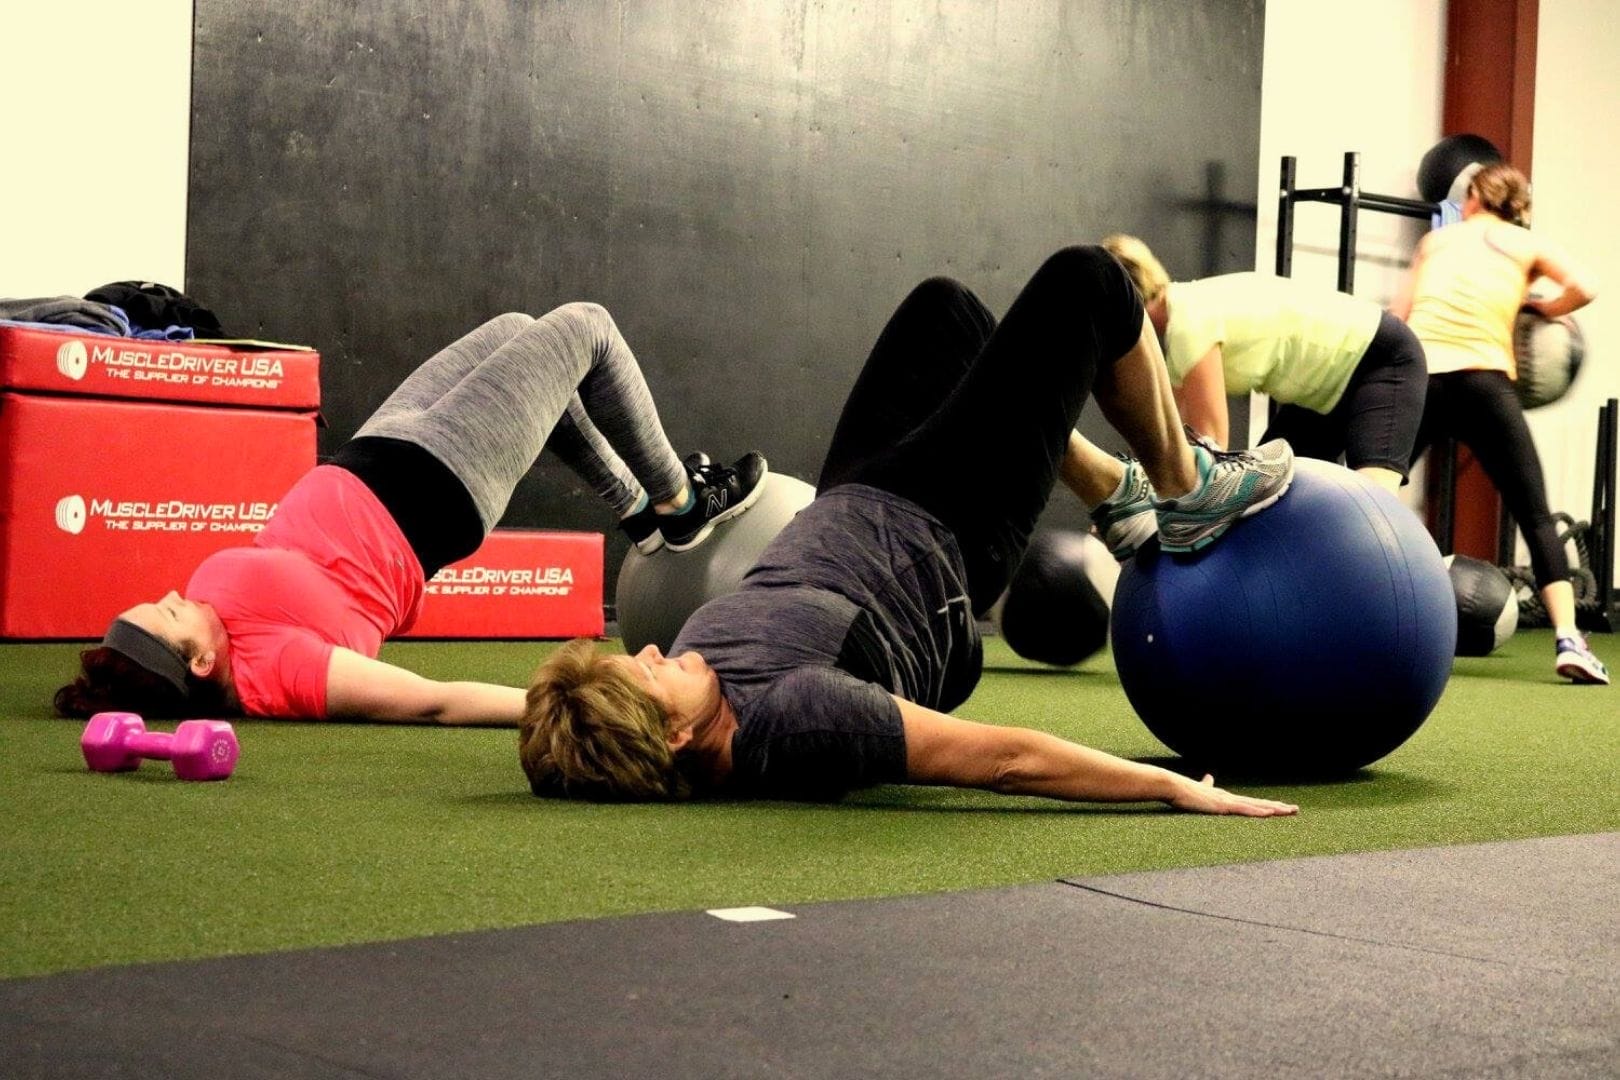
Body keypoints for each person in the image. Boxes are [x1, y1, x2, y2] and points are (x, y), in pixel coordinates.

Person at [519, 245, 1301, 814]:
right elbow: (1006, 760)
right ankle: (1187, 490)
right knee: (1091, 282)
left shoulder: (685, 693)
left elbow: (549, 719)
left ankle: (1112, 494)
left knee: (947, 311)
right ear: (677, 738)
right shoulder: (797, 717)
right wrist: (1168, 785)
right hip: (945, 534)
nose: (651, 650)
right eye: (648, 673)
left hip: (854, 498)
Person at [54, 303, 769, 723]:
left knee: (519, 330)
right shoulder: (278, 671)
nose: (173, 594)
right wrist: (564, 708)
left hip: (380, 445)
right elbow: (430, 700)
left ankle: (638, 512)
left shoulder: (213, 620)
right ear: (204, 662)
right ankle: (680, 504)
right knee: (587, 327)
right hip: (436, 489)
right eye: (169, 614)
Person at [1389, 163, 1607, 686]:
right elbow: (1586, 287)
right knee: (1534, 514)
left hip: (1423, 379)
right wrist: (1545, 308)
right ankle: (1569, 640)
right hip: (1484, 383)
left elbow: (1397, 318)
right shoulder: (1525, 244)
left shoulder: (1436, 242)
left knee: (1370, 497)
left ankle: (1340, 616)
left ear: (1472, 199)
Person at [1100, 234, 1427, 497]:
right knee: (1267, 494)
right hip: (1323, 391)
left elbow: (1210, 443)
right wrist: (1130, 494)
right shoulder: (1177, 330)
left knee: (1373, 503)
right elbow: (1163, 437)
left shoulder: (1187, 322)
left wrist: (1148, 502)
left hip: (1380, 360)